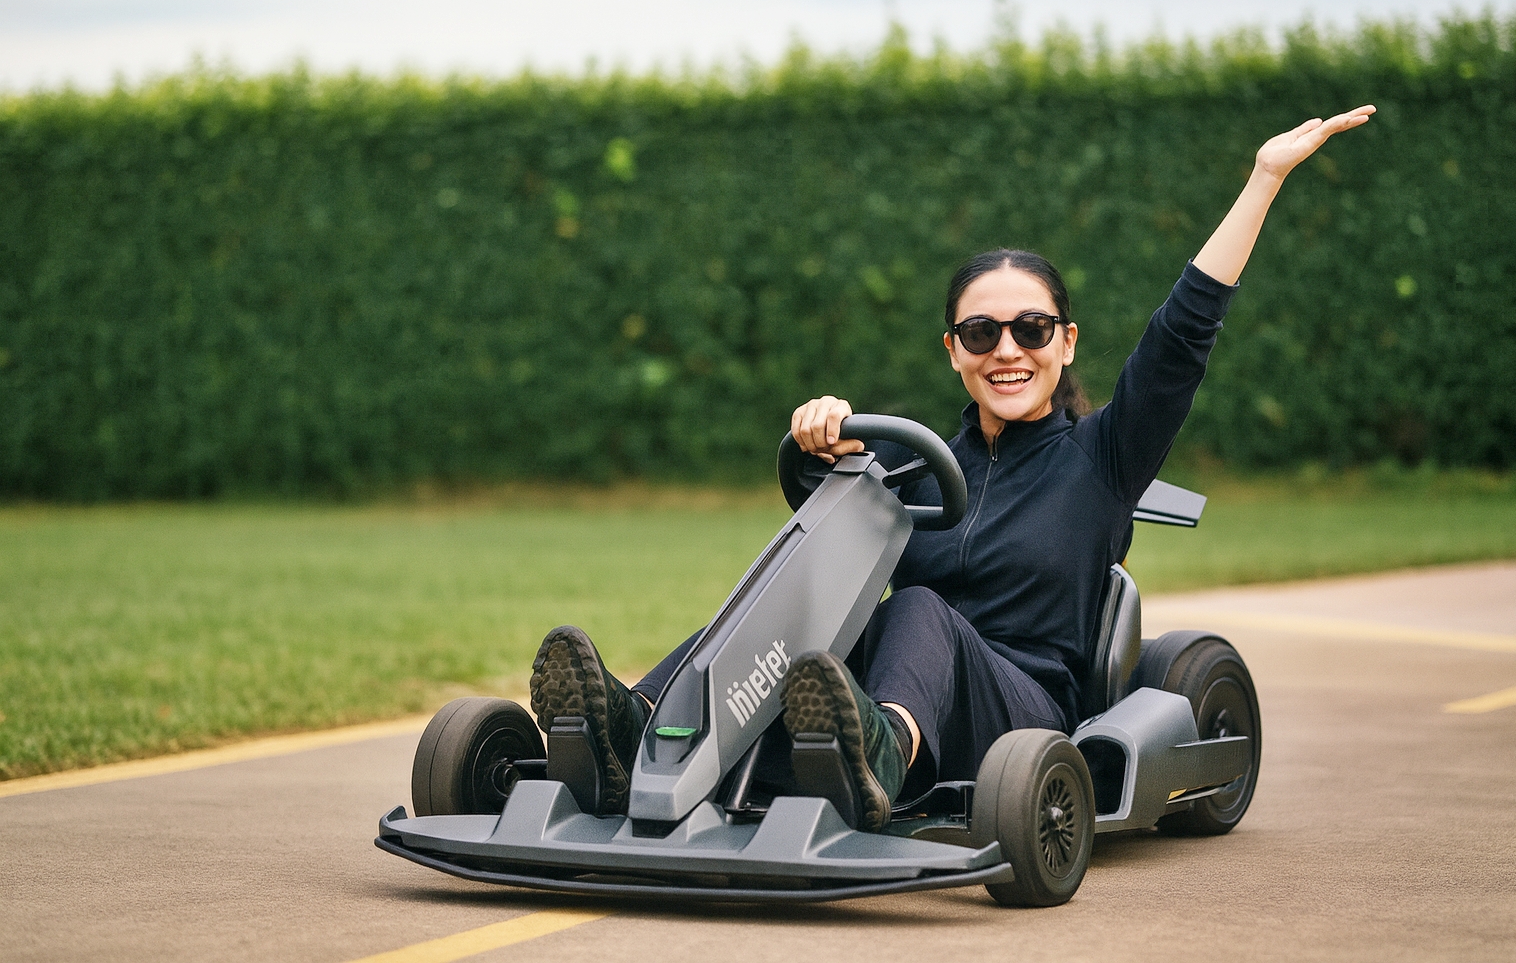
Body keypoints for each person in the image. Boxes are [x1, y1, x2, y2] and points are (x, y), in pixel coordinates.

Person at [528, 105, 1376, 827]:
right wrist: (823, 435)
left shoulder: (1104, 458)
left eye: (1031, 329)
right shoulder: (907, 462)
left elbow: (1181, 337)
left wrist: (1264, 177)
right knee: (786, 595)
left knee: (922, 606)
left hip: (1022, 711)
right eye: (981, 333)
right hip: (869, 690)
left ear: (1064, 341)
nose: (1007, 350)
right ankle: (638, 723)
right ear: (954, 352)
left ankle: (885, 757)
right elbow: (822, 542)